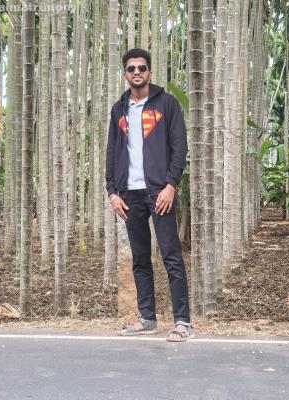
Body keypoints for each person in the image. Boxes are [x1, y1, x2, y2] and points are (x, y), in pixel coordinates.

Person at [105, 48, 194, 342]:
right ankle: (147, 318)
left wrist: (170, 185)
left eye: (141, 67)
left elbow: (179, 147)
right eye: (131, 68)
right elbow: (112, 152)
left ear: (150, 72)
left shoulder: (166, 104)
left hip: (159, 192)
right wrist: (112, 192)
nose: (137, 72)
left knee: (171, 256)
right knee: (140, 259)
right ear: (125, 74)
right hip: (129, 195)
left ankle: (183, 322)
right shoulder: (119, 110)